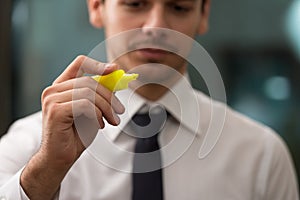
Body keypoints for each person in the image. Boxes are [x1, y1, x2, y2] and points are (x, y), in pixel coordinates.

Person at [0, 0, 299, 199]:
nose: (156, 25)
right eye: (135, 3)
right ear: (96, 6)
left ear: (204, 14)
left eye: (179, 7)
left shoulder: (262, 156)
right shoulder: (29, 146)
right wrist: (46, 172)